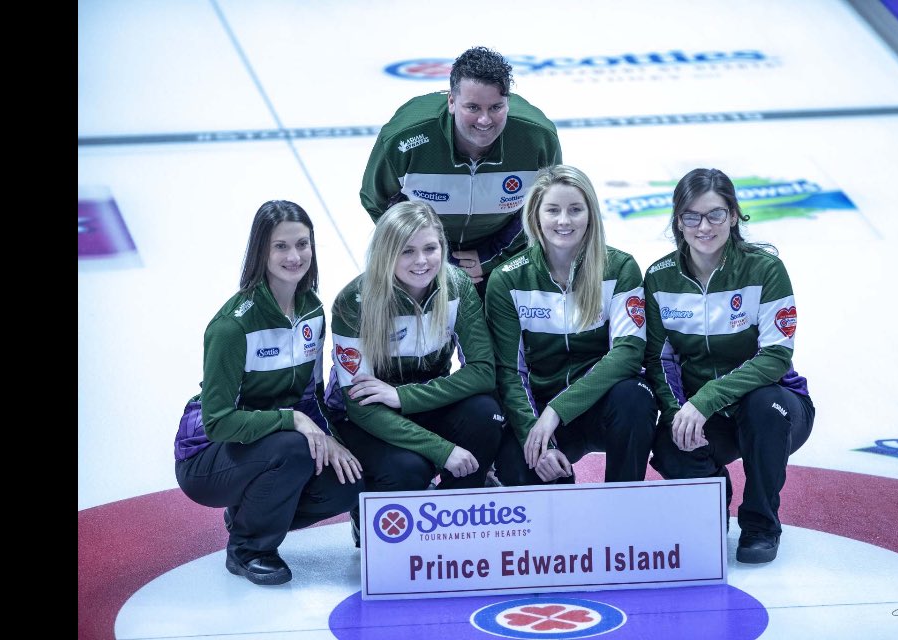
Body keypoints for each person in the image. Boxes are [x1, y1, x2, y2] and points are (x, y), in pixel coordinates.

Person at [173, 200, 362, 586]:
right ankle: (249, 549)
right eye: (281, 246)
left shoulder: (312, 311)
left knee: (347, 481)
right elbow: (219, 422)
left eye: (302, 244)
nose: (294, 256)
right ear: (261, 250)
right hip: (207, 455)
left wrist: (332, 441)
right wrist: (291, 419)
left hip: (268, 448)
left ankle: (248, 511)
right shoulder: (232, 327)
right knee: (292, 449)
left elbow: (312, 396)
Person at [643, 168, 815, 564]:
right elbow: (659, 360)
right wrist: (677, 415)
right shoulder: (659, 277)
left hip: (777, 407)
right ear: (677, 220)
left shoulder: (764, 269)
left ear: (734, 215)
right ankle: (713, 493)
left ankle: (760, 525)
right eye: (691, 216)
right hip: (708, 417)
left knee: (763, 407)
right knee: (669, 446)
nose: (704, 227)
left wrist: (704, 399)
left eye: (715, 214)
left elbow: (775, 356)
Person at [325, 201, 504, 545]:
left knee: (485, 412)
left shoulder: (456, 285)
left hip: (419, 399)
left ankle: (456, 522)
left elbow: (483, 372)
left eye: (430, 248)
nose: (422, 261)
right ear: (385, 253)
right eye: (407, 251)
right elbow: (360, 405)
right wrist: (442, 450)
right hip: (367, 417)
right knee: (409, 468)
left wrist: (403, 396)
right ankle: (367, 515)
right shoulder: (354, 301)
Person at [486, 165, 657, 486]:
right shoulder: (508, 278)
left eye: (575, 210)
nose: (564, 221)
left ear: (590, 214)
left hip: (599, 407)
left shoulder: (619, 268)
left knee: (636, 397)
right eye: (553, 210)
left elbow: (628, 354)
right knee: (519, 469)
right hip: (538, 414)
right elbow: (509, 373)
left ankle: (624, 503)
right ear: (535, 216)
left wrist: (558, 410)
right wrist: (541, 439)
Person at [359, 46, 563, 297]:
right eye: (473, 107)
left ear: (507, 103)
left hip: (502, 256)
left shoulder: (538, 138)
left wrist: (492, 255)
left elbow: (544, 208)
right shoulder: (405, 138)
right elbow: (378, 203)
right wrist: (429, 256)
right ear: (452, 102)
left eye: (496, 107)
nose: (485, 120)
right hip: (423, 259)